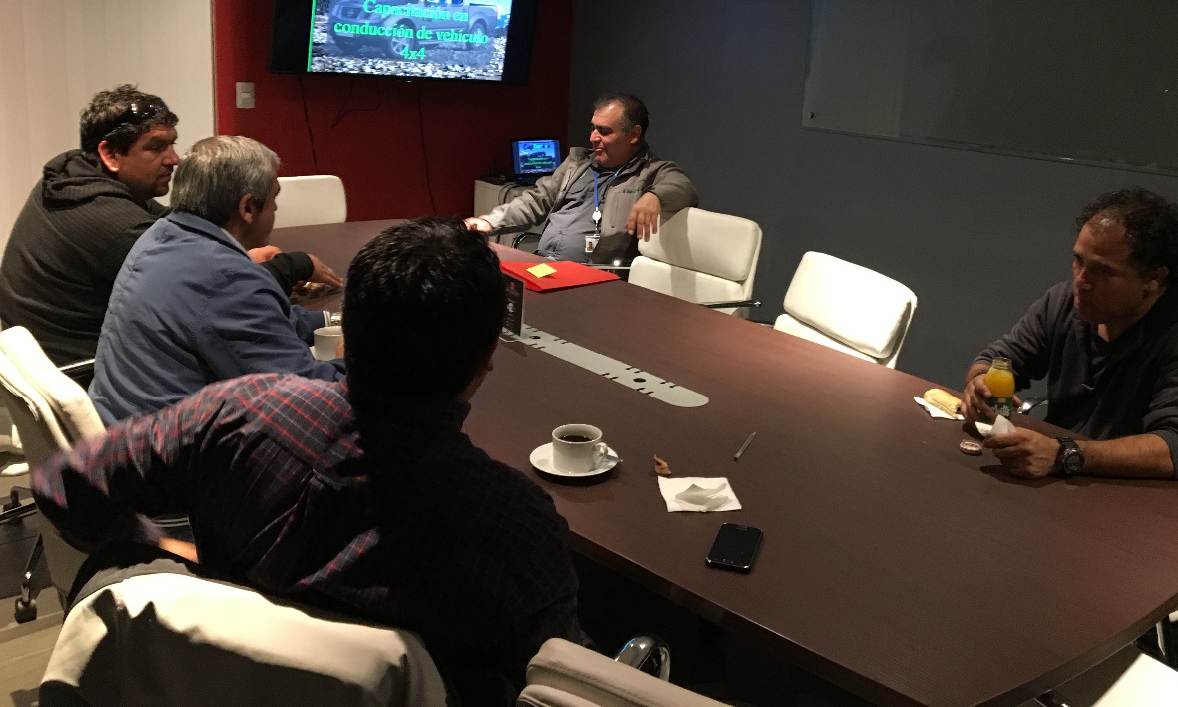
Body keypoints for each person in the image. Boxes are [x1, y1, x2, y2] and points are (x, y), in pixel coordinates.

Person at [33, 218, 585, 703]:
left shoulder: (236, 413)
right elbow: (559, 680)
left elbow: (64, 480)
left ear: (348, 333)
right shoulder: (515, 526)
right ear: (486, 360)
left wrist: (160, 550)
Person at [0, 85, 338, 367]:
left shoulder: (71, 179)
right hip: (83, 370)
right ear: (110, 154)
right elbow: (218, 293)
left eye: (172, 144)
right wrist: (291, 266)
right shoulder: (115, 226)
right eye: (156, 147)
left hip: (43, 359)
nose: (174, 159)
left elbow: (182, 235)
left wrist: (246, 258)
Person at [961, 187, 1178, 481]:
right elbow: (999, 358)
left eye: (1103, 271)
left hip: (1140, 493)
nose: (1081, 281)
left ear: (1153, 278)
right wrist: (979, 383)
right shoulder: (1065, 302)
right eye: (1078, 260)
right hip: (1065, 480)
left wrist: (1064, 454)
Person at [89, 135, 344, 424]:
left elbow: (262, 322)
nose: (275, 210)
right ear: (247, 208)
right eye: (274, 200)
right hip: (172, 445)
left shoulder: (160, 235)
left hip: (119, 428)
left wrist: (334, 320)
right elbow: (311, 401)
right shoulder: (227, 280)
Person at [465, 93, 698, 265]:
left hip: (595, 280)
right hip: (544, 265)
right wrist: (489, 222)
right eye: (593, 128)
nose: (593, 137)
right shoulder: (577, 164)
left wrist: (654, 196)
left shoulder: (652, 172)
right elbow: (536, 200)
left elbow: (684, 187)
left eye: (604, 131)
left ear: (634, 135)